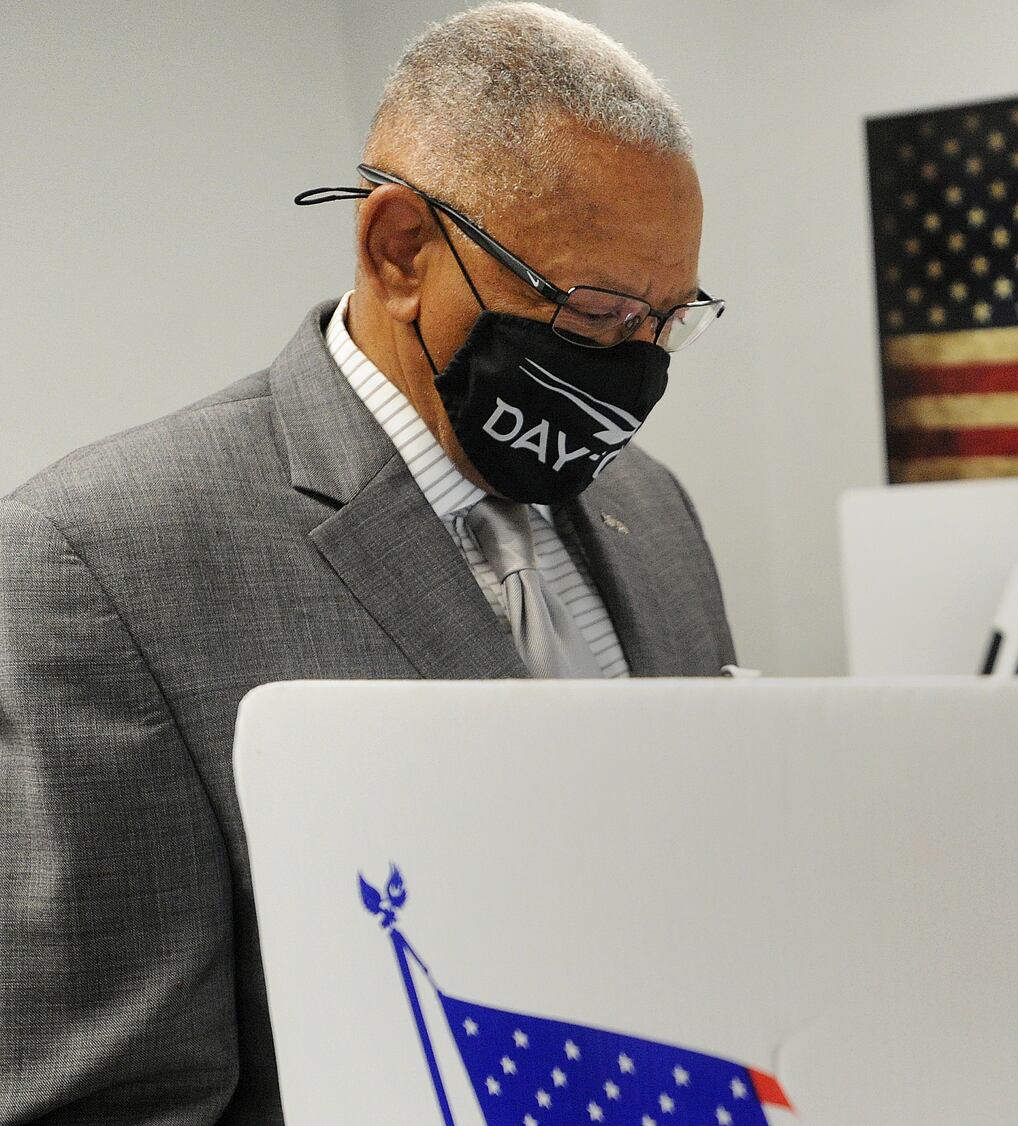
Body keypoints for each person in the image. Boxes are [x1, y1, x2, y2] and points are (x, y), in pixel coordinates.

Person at [0, 4, 736, 1120]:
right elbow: (112, 1097)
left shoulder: (651, 508)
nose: (630, 369)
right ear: (400, 248)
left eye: (667, 321)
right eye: (592, 313)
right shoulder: (98, 564)